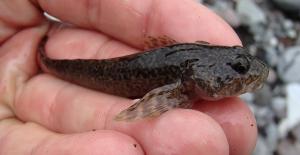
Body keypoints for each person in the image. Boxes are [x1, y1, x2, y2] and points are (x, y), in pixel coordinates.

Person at [0, 0, 257, 154]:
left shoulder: (193, 64)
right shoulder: (187, 76)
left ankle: (45, 57)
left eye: (239, 66)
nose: (246, 75)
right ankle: (45, 59)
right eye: (240, 70)